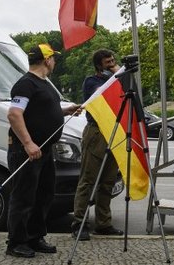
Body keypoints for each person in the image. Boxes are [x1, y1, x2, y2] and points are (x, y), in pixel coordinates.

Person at [6, 43, 80, 258]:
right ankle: (16, 242)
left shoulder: (44, 83)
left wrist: (65, 111)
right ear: (47, 60)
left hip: (45, 151)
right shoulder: (26, 84)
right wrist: (28, 143)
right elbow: (14, 114)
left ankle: (35, 237)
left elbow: (41, 111)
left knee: (44, 195)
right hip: (27, 151)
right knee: (23, 197)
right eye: (53, 58)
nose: (55, 61)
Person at [71, 49, 123, 241]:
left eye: (113, 61)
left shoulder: (118, 80)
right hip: (96, 133)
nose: (112, 64)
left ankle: (103, 223)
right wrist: (116, 74)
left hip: (113, 132)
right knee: (88, 180)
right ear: (99, 66)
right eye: (108, 62)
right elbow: (101, 97)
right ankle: (79, 223)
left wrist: (119, 75)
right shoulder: (92, 81)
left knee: (108, 181)